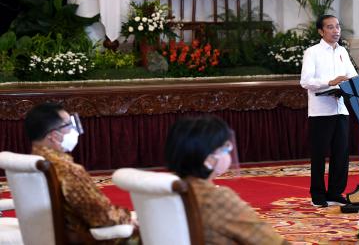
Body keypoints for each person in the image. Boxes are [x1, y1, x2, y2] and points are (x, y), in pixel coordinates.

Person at [24, 102, 139, 244]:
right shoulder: (67, 169)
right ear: (54, 136)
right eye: (68, 126)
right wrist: (129, 219)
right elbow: (102, 216)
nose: (74, 131)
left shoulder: (29, 163)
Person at [164, 115, 289, 245]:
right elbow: (270, 241)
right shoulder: (216, 198)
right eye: (224, 148)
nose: (228, 153)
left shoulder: (160, 188)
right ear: (208, 160)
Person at [300, 15, 358, 208]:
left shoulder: (342, 51)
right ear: (321, 31)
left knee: (341, 154)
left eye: (338, 27)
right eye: (330, 27)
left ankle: (335, 192)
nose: (336, 31)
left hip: (341, 108)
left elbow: (352, 76)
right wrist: (330, 82)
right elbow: (306, 81)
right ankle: (317, 194)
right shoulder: (312, 52)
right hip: (320, 111)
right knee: (319, 154)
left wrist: (352, 84)